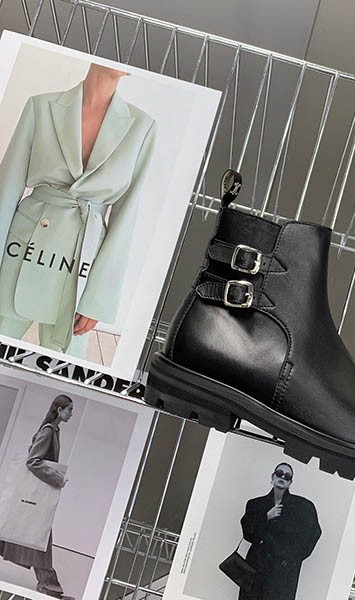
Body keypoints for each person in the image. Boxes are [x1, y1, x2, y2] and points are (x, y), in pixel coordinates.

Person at [0, 63, 156, 356]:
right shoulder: (41, 106)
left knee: (64, 362)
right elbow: (6, 188)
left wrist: (98, 298)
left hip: (81, 261)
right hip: (22, 248)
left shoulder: (142, 126)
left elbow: (126, 215)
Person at [0, 394, 74, 599]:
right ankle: (49, 588)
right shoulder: (48, 431)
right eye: (69, 409)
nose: (71, 414)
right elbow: (33, 460)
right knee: (40, 537)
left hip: (33, 498)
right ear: (59, 410)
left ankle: (49, 587)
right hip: (34, 498)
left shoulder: (53, 430)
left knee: (34, 537)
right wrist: (57, 478)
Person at [238, 462, 321, 600]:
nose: (282, 477)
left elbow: (314, 533)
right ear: (272, 477)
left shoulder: (302, 507)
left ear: (290, 483)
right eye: (279, 473)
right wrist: (265, 517)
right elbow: (248, 534)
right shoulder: (255, 504)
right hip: (256, 566)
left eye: (287, 476)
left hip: (283, 572)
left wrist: (292, 559)